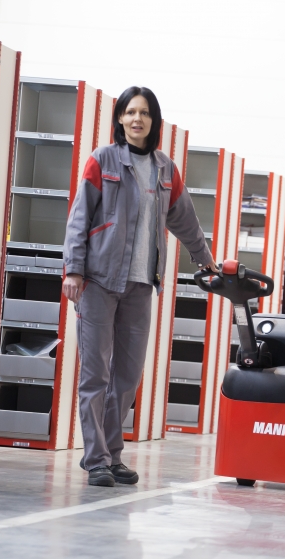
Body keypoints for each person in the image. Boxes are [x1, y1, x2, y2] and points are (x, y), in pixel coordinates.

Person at [62, 86, 217, 487]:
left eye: (144, 113)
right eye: (130, 112)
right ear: (119, 118)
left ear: (154, 120)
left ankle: (112, 454)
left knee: (127, 376)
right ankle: (95, 458)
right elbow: (80, 218)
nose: (137, 119)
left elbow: (185, 222)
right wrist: (73, 270)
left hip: (140, 286)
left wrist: (206, 260)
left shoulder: (166, 170)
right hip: (97, 281)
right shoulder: (102, 160)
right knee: (95, 374)